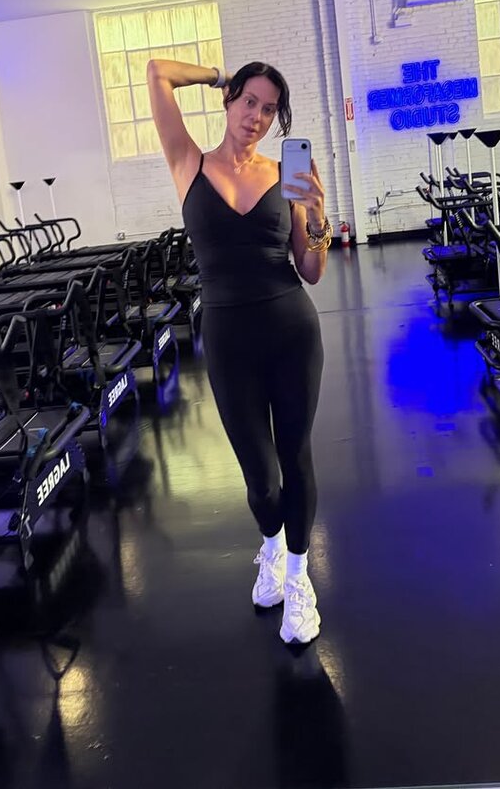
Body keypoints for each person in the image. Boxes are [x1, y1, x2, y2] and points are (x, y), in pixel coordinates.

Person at [147, 57, 330, 644]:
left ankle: (298, 579)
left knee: (295, 456)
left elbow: (311, 270)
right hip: (228, 340)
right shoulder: (189, 163)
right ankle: (271, 545)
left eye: (269, 109)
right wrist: (213, 75)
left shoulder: (287, 171)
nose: (257, 116)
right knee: (260, 478)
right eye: (249, 101)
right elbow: (156, 72)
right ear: (230, 101)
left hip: (292, 331)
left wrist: (318, 217)